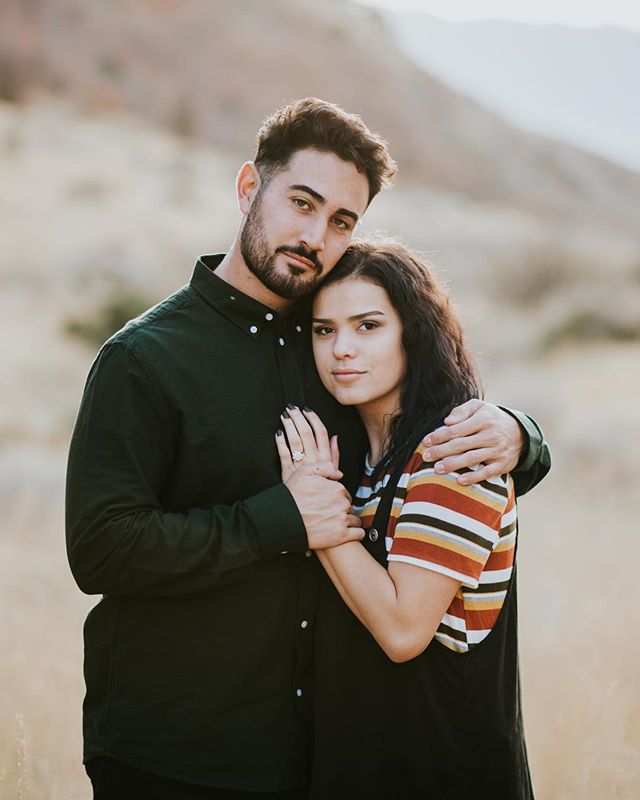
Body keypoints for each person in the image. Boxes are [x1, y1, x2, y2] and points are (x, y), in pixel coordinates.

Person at [66, 99, 550, 799]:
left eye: (341, 221)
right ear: (247, 189)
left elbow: (424, 450)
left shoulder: (340, 351)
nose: (315, 235)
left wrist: (518, 434)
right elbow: (101, 548)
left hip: (322, 756)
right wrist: (283, 520)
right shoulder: (144, 361)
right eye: (301, 202)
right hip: (177, 751)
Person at [275, 240, 538, 799]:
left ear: (413, 333)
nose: (341, 349)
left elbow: (402, 631)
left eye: (367, 326)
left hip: (445, 772)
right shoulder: (361, 459)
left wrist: (317, 510)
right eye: (324, 330)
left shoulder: (453, 454)